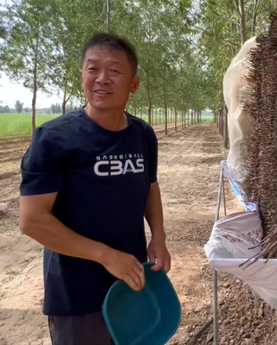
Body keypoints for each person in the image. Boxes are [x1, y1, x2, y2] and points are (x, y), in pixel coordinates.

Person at [19, 32, 171, 345]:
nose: (102, 79)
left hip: (131, 281)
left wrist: (158, 236)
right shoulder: (53, 139)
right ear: (81, 76)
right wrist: (104, 255)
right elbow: (33, 220)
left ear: (133, 84)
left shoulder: (143, 135)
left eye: (114, 71)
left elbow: (150, 187)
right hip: (77, 292)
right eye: (93, 69)